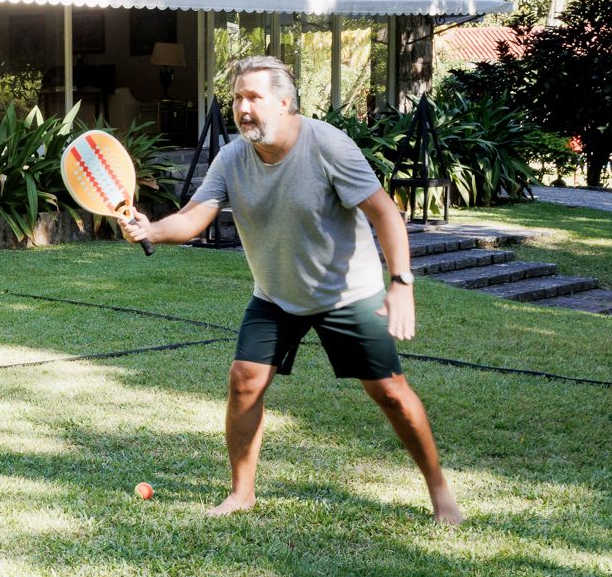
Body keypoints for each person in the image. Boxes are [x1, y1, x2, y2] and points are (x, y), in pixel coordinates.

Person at [119, 56, 463, 524]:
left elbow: (385, 213)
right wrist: (151, 230)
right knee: (244, 380)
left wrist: (401, 283)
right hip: (276, 294)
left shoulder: (327, 146)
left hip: (347, 292)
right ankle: (242, 494)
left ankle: (439, 490)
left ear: (284, 103)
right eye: (237, 97)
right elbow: (195, 215)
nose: (242, 107)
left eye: (253, 97)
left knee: (390, 392)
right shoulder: (232, 156)